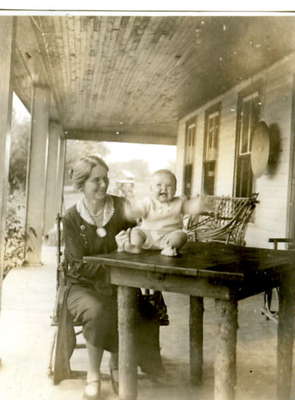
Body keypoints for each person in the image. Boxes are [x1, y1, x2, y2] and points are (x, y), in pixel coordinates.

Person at [60, 155, 164, 400]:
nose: (103, 185)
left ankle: (118, 365)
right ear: (81, 183)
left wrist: (134, 245)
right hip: (81, 286)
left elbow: (139, 242)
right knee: (98, 312)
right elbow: (76, 266)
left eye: (105, 179)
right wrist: (116, 255)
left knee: (133, 309)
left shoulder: (121, 207)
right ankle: (93, 375)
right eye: (96, 180)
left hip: (120, 284)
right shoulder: (72, 218)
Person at [116, 169, 211, 256]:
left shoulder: (179, 202)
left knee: (182, 235)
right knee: (136, 231)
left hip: (169, 236)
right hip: (147, 236)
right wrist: (131, 212)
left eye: (169, 186)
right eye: (159, 185)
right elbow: (138, 212)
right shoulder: (147, 202)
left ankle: (169, 248)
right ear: (151, 189)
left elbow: (190, 208)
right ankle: (136, 246)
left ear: (175, 189)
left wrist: (199, 205)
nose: (164, 189)